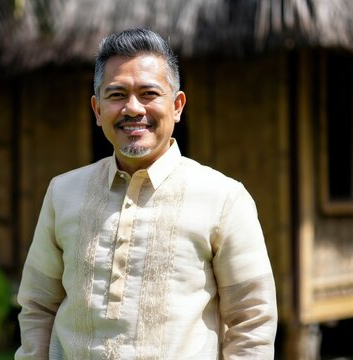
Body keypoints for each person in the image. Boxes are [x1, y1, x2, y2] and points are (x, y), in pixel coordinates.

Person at [15, 28, 277, 359]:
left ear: (178, 105)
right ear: (97, 110)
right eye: (116, 95)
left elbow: (251, 321)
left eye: (149, 93)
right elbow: (37, 306)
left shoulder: (224, 198)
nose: (133, 108)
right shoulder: (63, 193)